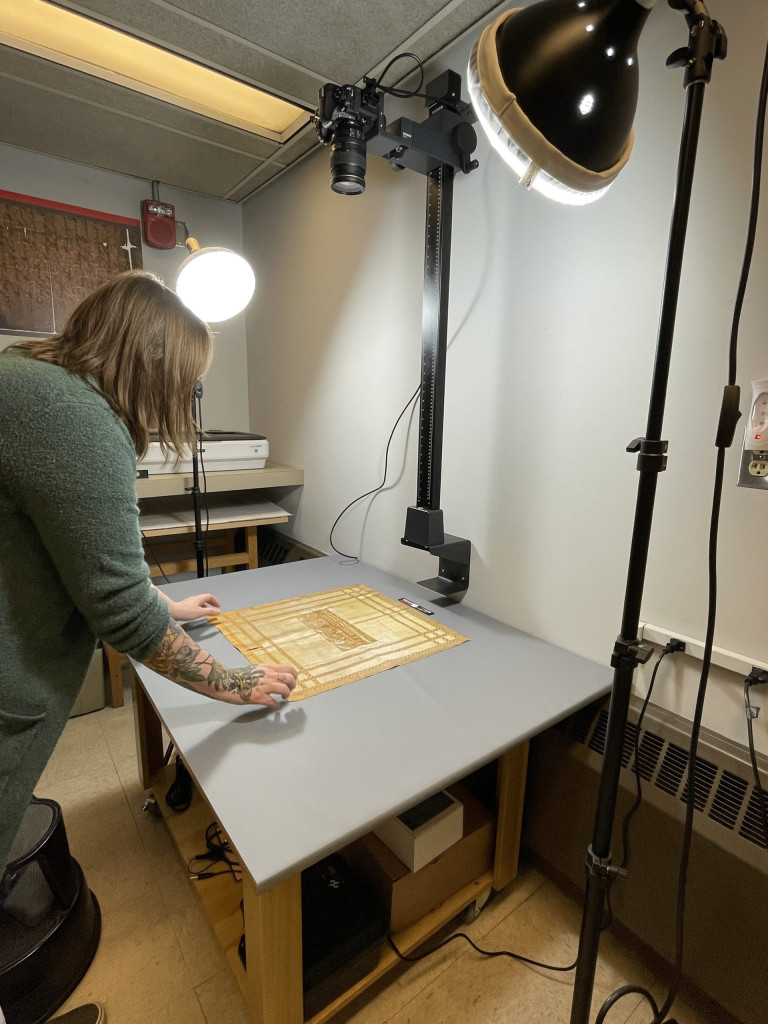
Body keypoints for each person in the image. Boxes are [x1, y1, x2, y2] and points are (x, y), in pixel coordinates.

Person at [0, 271, 298, 1015]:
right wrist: (238, 683)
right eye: (187, 382)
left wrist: (160, 598)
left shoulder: (32, 382)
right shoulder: (75, 418)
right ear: (154, 365)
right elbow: (122, 616)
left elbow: (72, 547)